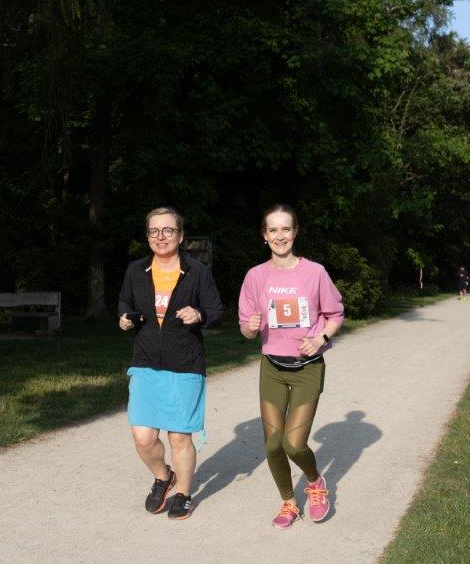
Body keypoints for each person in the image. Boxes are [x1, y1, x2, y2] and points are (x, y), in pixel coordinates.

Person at [238, 205, 344, 529]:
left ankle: (314, 482)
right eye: (273, 230)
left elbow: (335, 314)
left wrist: (320, 338)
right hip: (272, 368)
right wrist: (250, 327)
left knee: (293, 444)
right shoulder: (255, 276)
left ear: (295, 232)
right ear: (264, 235)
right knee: (273, 443)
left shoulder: (315, 272)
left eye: (286, 229)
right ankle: (288, 502)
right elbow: (246, 328)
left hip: (307, 368)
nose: (280, 236)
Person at [118, 207, 223, 520]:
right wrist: (124, 318)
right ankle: (164, 477)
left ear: (180, 236)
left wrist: (199, 314)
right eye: (154, 231)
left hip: (185, 363)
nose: (160, 237)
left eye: (168, 230)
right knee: (143, 436)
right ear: (147, 235)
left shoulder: (197, 272)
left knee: (179, 436)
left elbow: (216, 311)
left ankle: (184, 494)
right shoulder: (136, 270)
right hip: (145, 362)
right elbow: (124, 302)